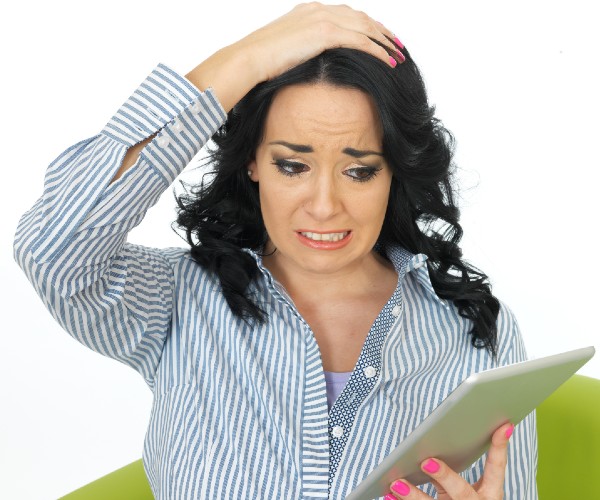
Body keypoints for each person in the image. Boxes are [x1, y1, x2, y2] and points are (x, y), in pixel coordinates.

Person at [13, 3, 536, 499]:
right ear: (252, 163)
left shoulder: (478, 337)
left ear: (394, 171)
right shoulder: (175, 300)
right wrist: (250, 58)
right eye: (292, 165)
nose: (325, 206)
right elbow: (53, 245)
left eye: (359, 170)